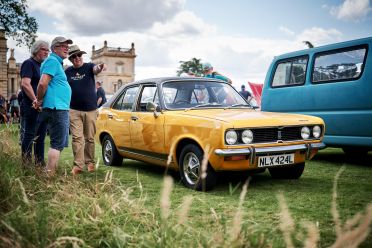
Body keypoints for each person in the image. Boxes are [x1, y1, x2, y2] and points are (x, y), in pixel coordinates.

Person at [33, 36, 73, 176]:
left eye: (67, 46)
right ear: (54, 48)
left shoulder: (55, 62)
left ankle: (48, 172)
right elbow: (43, 83)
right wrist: (38, 100)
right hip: (57, 108)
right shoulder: (52, 61)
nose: (67, 48)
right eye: (63, 45)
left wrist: (40, 100)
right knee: (56, 143)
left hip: (58, 107)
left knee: (59, 143)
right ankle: (49, 176)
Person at [65, 45, 106, 174]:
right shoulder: (67, 72)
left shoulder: (89, 66)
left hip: (91, 110)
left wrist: (100, 67)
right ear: (71, 59)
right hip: (74, 110)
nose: (77, 58)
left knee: (89, 138)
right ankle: (78, 166)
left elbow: (96, 70)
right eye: (74, 56)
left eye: (79, 55)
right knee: (77, 138)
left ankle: (90, 163)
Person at [20, 40, 50, 165]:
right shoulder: (29, 63)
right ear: (36, 50)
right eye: (44, 49)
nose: (47, 52)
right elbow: (25, 84)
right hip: (31, 106)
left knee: (41, 138)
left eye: (48, 50)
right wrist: (35, 101)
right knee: (29, 136)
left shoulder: (42, 66)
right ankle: (26, 166)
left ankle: (39, 165)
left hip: (42, 108)